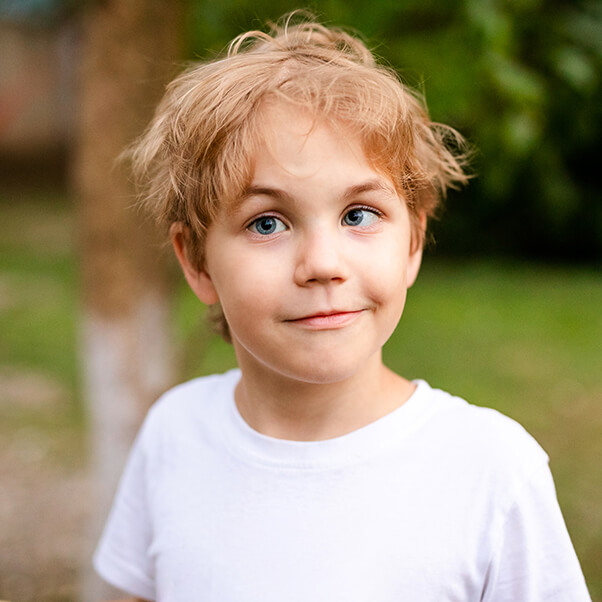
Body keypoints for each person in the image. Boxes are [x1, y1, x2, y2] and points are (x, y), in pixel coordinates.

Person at [94, 13, 591, 602]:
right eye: (268, 222)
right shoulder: (174, 434)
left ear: (412, 242)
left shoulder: (492, 470)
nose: (322, 263)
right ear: (197, 264)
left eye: (358, 215)